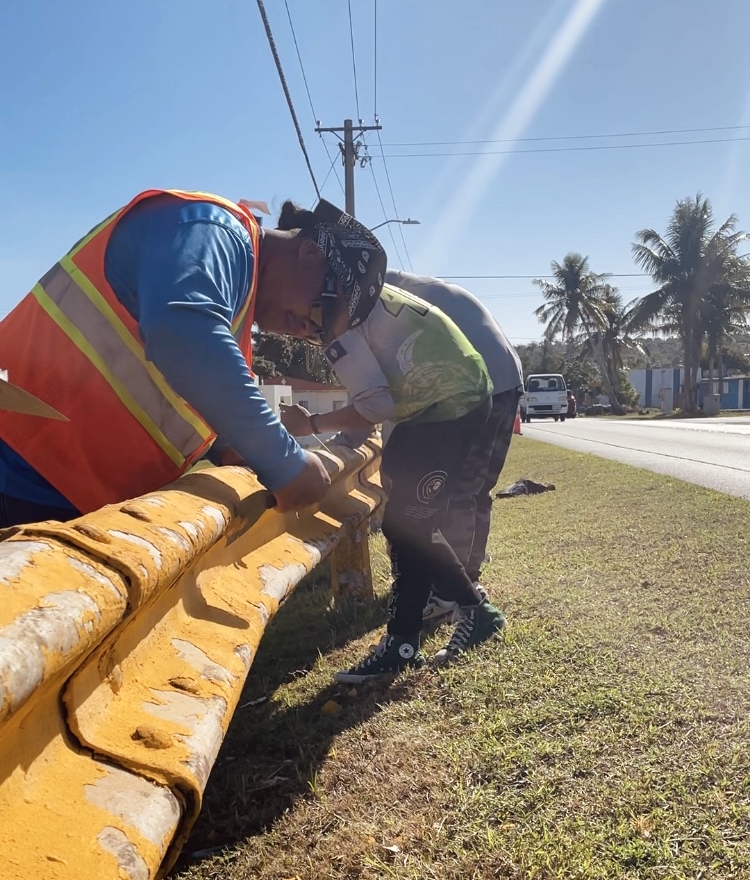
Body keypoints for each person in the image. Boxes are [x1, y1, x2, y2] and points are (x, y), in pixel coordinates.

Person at [0, 191, 386, 527]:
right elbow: (181, 337)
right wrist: (283, 460)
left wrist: (228, 447)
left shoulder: (233, 306)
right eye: (321, 311)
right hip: (18, 470)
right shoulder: (213, 230)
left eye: (321, 334)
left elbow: (181, 394)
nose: (307, 330)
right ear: (311, 252)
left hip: (57, 494)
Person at [276, 202, 508, 682]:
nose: (280, 325)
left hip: (449, 410)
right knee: (409, 525)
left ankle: (411, 641)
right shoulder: (361, 291)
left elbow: (377, 405)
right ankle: (459, 620)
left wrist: (311, 427)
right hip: (451, 403)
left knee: (410, 525)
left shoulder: (337, 320)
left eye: (279, 310)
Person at [384, 270, 523, 625]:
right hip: (506, 373)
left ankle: (450, 595)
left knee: (459, 491)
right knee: (477, 489)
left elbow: (394, 388)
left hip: (478, 384)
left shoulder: (382, 300)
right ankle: (467, 578)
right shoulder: (417, 286)